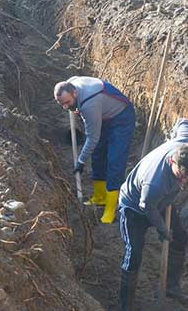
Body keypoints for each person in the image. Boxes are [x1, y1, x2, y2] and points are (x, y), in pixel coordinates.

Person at [115, 118, 188, 311]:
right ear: (173, 162)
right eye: (181, 177)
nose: (184, 183)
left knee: (180, 237)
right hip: (136, 207)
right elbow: (147, 208)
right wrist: (162, 228)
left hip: (161, 202)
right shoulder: (155, 182)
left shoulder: (184, 144)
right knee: (134, 253)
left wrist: (183, 121)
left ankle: (171, 287)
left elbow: (184, 123)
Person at [54, 77, 136, 224]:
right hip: (104, 116)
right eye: (62, 104)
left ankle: (111, 208)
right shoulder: (70, 84)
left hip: (122, 117)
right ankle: (100, 197)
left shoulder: (89, 105)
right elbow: (94, 142)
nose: (66, 107)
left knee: (114, 160)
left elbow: (92, 138)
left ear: (74, 93)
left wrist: (80, 161)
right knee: (98, 155)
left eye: (67, 103)